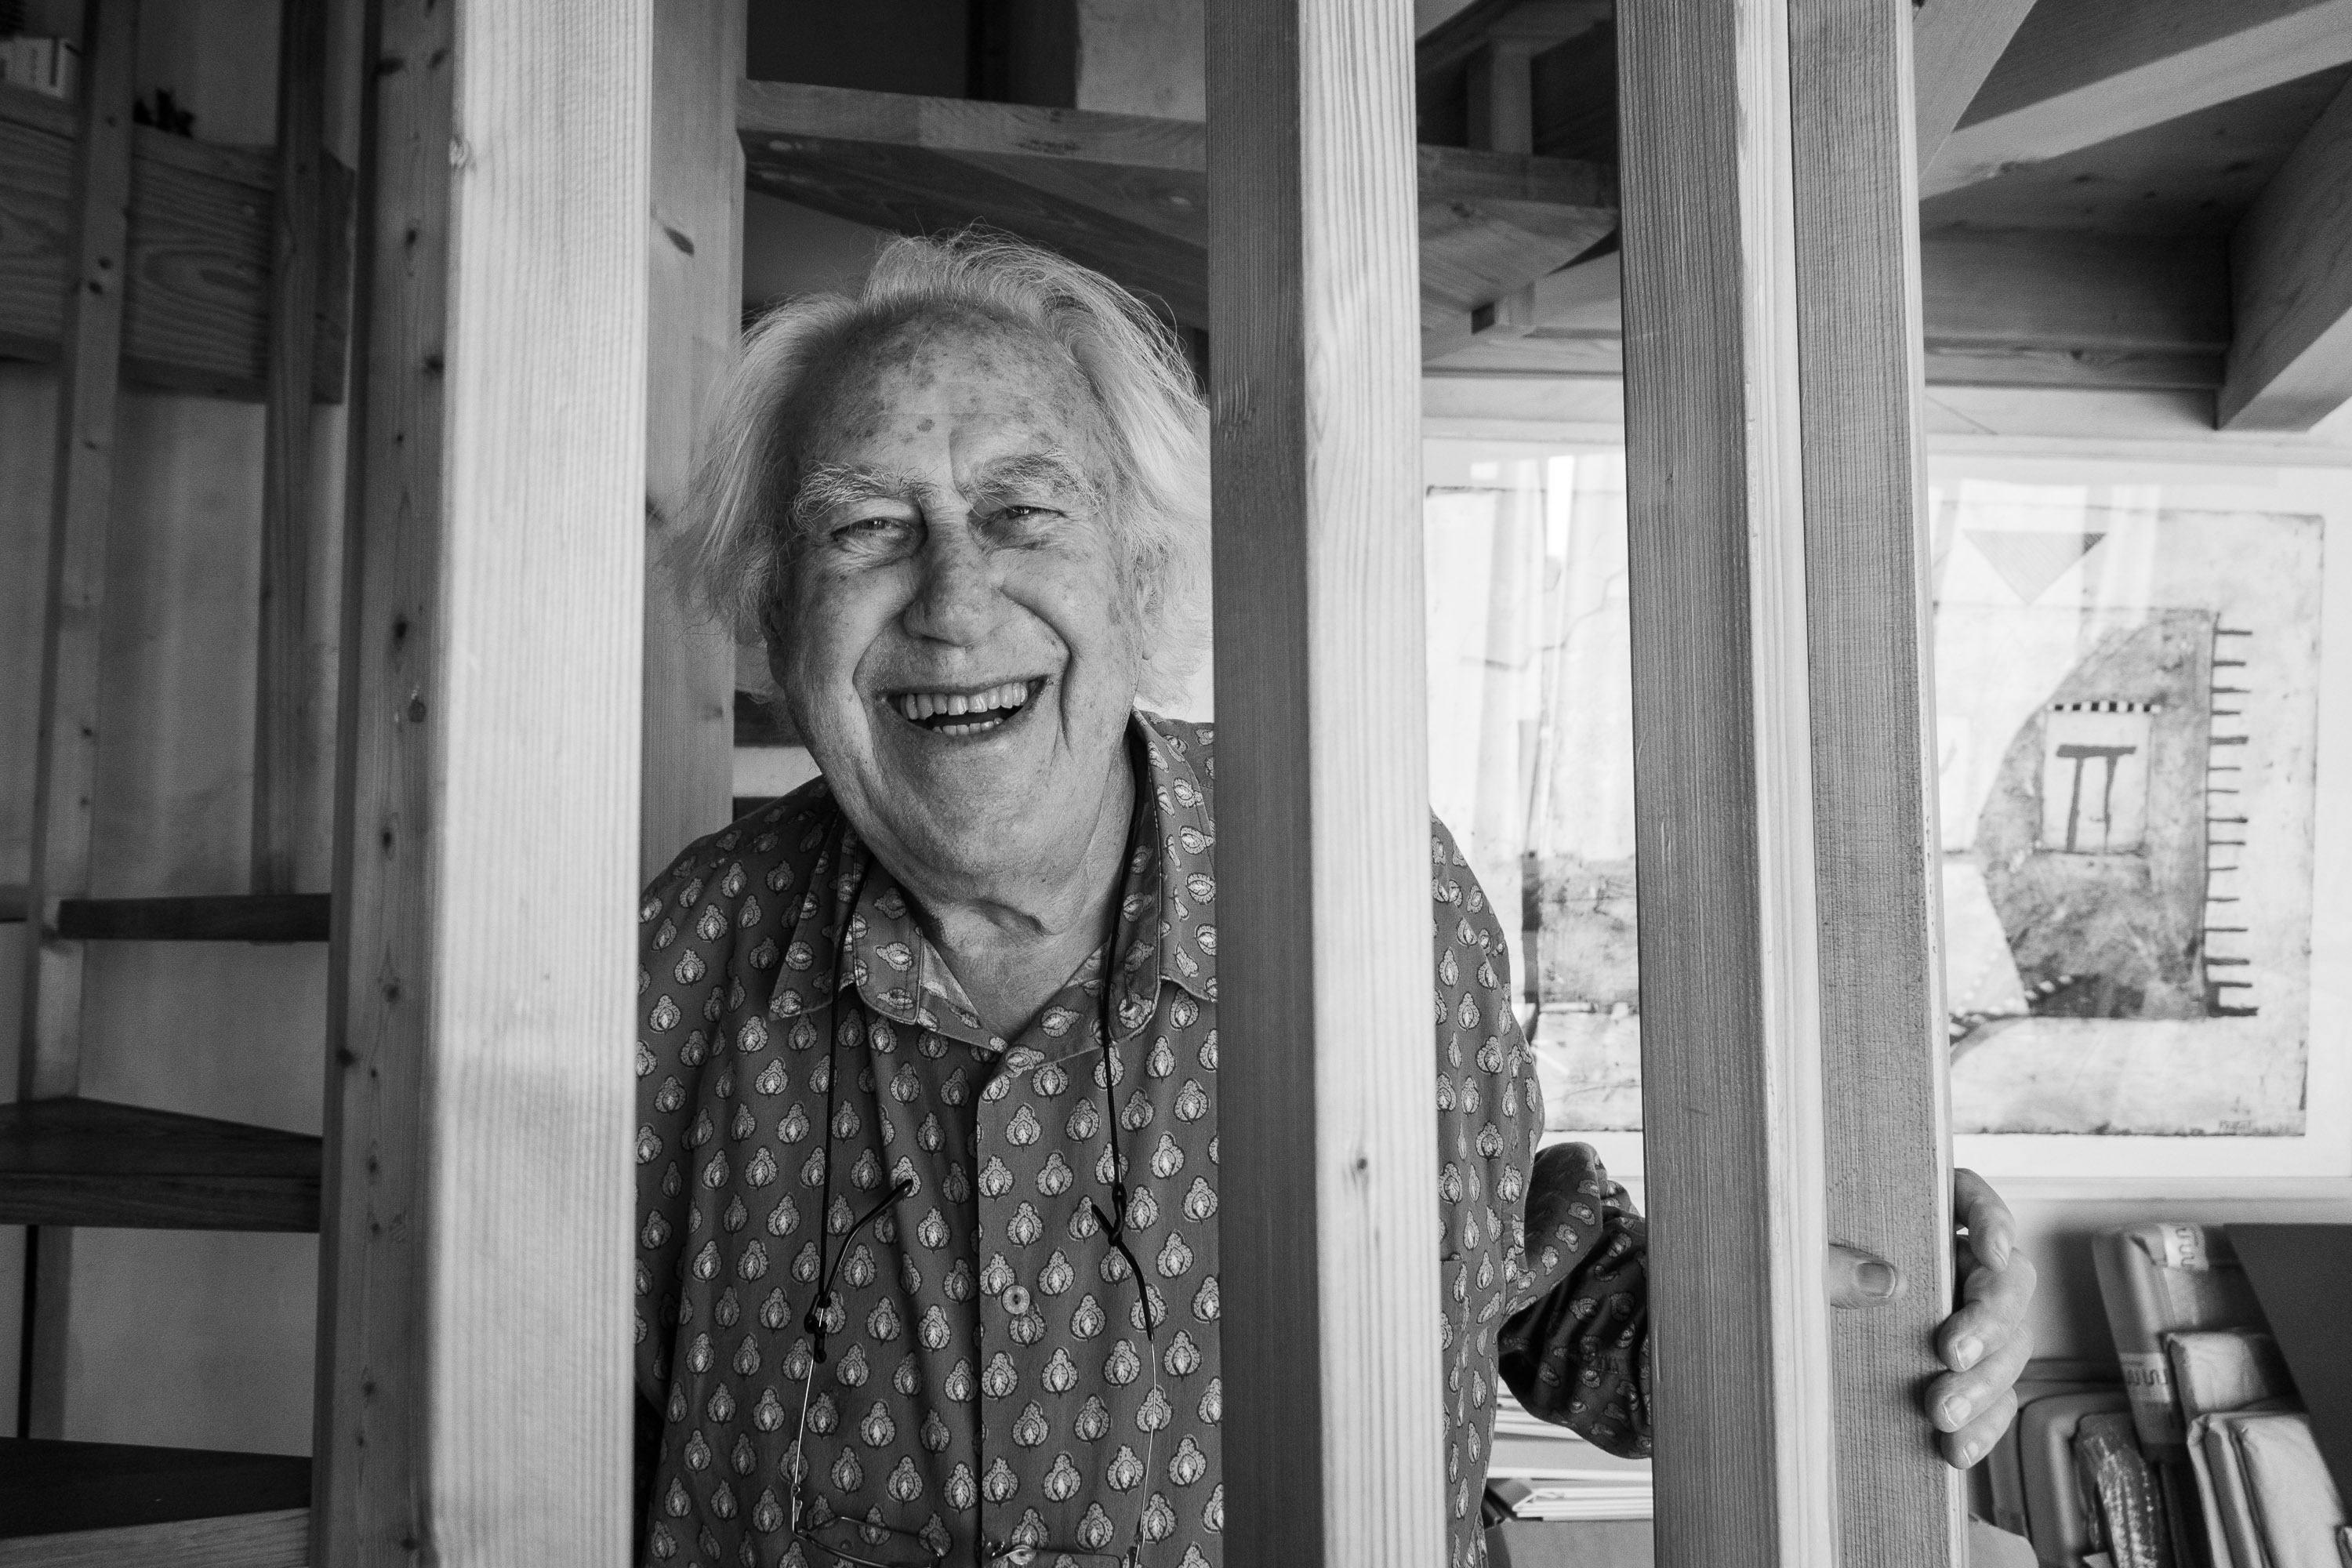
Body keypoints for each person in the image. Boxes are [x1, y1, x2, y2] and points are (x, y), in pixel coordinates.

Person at [633, 234, 2035, 1568]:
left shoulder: (1362, 888)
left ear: (1140, 574)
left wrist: (1893, 1312)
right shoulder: (680, 959)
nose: (953, 601)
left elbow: (1510, 1277)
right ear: (775, 614)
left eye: (1023, 512)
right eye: (867, 527)